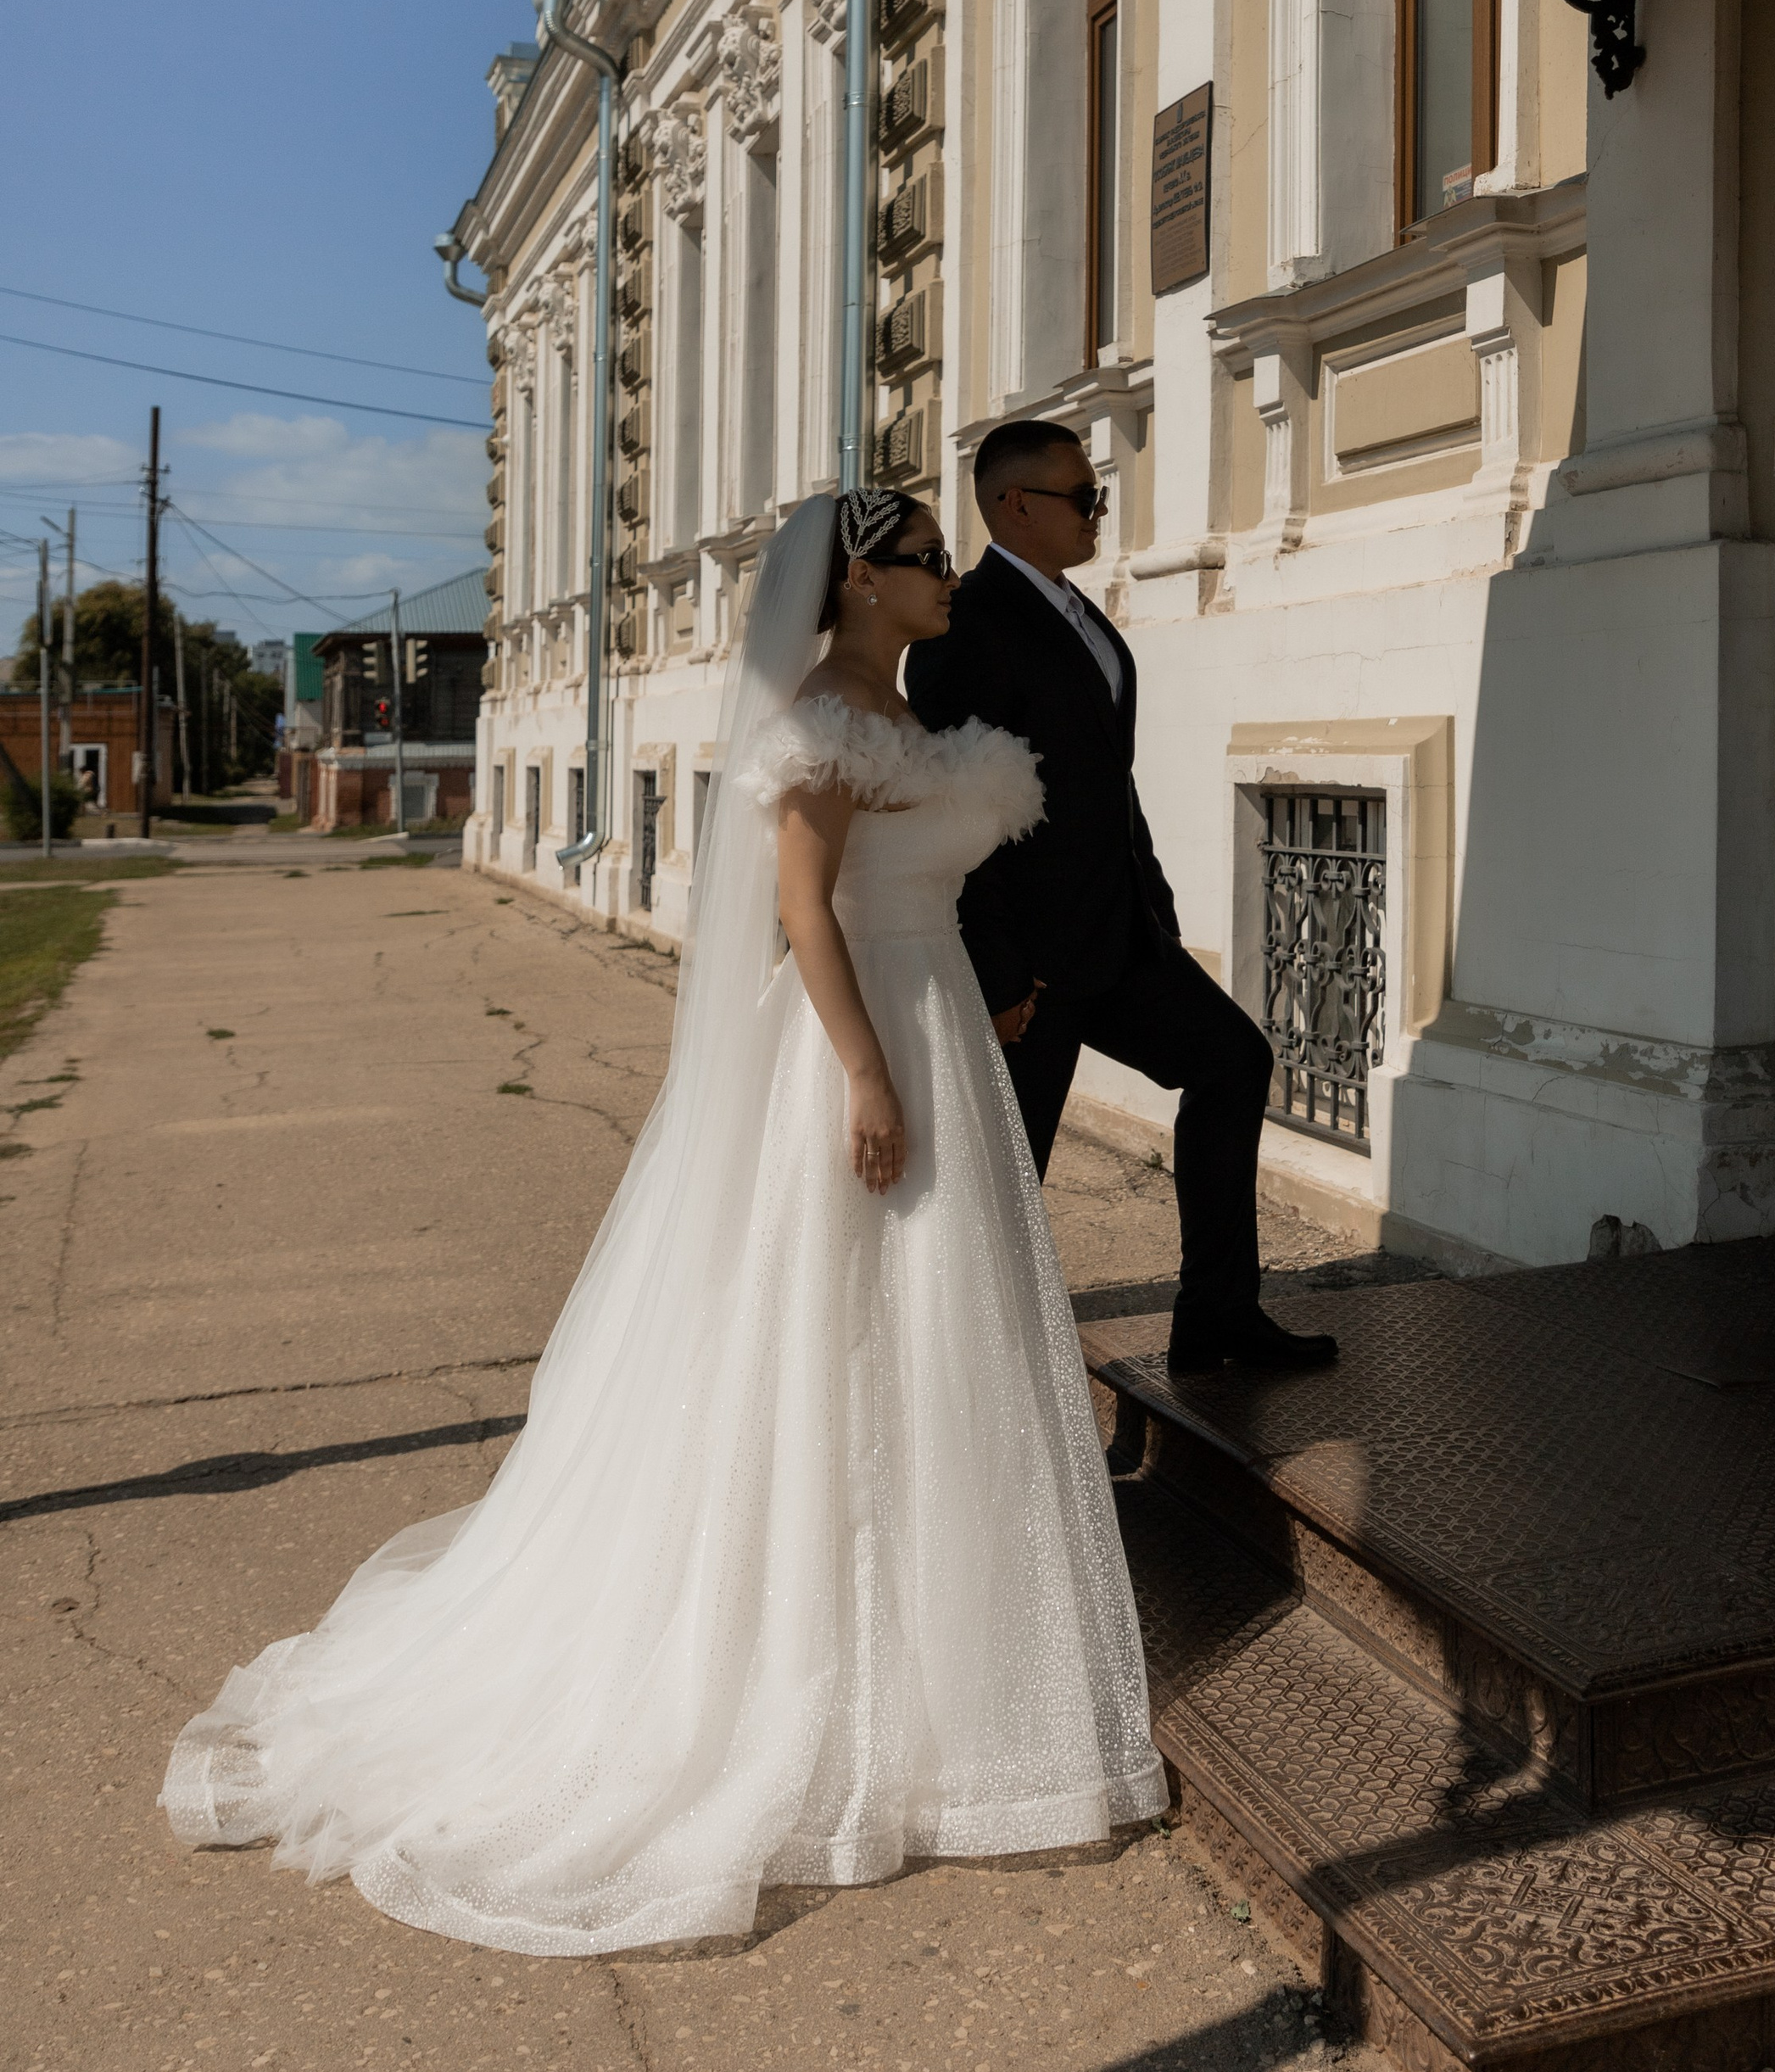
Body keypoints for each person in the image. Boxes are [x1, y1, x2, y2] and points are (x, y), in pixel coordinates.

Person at [159, 487, 1164, 1955]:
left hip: (937, 1012)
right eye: (926, 559)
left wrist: (977, 987)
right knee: (830, 1339)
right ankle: (802, 1658)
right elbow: (806, 914)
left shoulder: (895, 710)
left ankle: (954, 1674)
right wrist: (867, 1073)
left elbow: (928, 876)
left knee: (937, 1338)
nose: (951, 576)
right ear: (859, 581)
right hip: (865, 1036)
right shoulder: (821, 714)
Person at [906, 419, 1337, 1377]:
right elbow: (953, 803)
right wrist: (999, 968)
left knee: (1232, 1062)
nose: (1100, 510)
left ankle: (1217, 1318)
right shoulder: (966, 622)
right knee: (1007, 1185)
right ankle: (962, 1383)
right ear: (1015, 504)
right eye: (1082, 495)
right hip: (1034, 969)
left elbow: (1108, 777)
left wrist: (1152, 895)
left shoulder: (1081, 616)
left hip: (1123, 936)